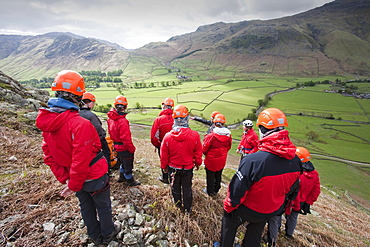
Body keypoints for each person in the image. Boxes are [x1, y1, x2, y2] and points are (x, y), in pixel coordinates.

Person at [35, 70, 119, 245]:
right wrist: (72, 182)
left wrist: (67, 179)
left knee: (86, 207)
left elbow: (49, 156)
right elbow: (81, 160)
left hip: (74, 178)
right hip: (93, 176)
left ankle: (95, 236)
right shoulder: (81, 124)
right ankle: (108, 234)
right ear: (78, 96)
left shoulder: (48, 123)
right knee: (103, 207)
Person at [218, 108, 302, 247]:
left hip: (248, 208)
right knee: (255, 231)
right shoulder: (296, 161)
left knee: (229, 222)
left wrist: (229, 206)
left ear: (262, 129)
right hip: (270, 209)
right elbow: (292, 188)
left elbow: (237, 190)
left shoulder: (253, 161)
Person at [267, 146, 321, 246]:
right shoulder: (314, 174)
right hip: (300, 202)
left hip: (287, 199)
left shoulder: (295, 171)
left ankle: (274, 234)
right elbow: (316, 190)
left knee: (277, 215)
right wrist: (308, 202)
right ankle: (288, 234)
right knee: (293, 217)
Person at [160, 105, 202, 213]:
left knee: (175, 187)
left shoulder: (168, 136)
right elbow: (198, 152)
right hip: (187, 168)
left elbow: (164, 154)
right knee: (187, 188)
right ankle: (187, 209)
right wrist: (198, 163)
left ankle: (178, 206)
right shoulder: (195, 135)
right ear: (186, 118)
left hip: (173, 168)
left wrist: (164, 167)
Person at [107, 95, 140, 186]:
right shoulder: (123, 121)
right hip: (124, 147)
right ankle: (129, 180)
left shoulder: (110, 119)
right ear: (125, 107)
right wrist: (132, 149)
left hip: (116, 147)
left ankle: (121, 177)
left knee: (122, 162)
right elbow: (126, 139)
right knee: (128, 165)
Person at [79, 92, 111, 172]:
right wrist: (103, 135)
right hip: (97, 141)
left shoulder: (76, 113)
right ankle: (106, 171)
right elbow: (98, 128)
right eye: (92, 103)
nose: (93, 105)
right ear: (88, 103)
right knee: (105, 154)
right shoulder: (91, 115)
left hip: (83, 142)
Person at [202, 113, 232, 196]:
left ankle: (210, 191)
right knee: (218, 174)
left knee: (210, 176)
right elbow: (229, 147)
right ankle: (216, 189)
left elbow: (204, 149)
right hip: (222, 160)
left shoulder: (211, 136)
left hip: (211, 161)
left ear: (214, 123)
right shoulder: (228, 135)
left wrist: (206, 154)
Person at [150, 97, 175, 184]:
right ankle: (173, 178)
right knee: (173, 161)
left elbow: (154, 137)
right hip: (175, 145)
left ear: (163, 106)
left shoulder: (159, 120)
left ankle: (165, 178)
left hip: (162, 145)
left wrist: (158, 144)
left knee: (164, 160)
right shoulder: (176, 118)